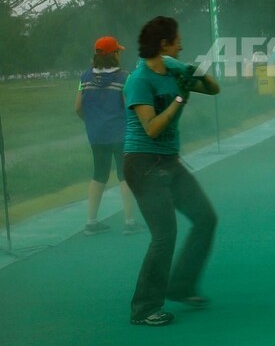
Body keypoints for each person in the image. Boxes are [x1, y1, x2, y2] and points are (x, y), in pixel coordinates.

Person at [123, 16, 220, 326]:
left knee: (205, 218)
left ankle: (181, 286)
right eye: (177, 40)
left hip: (169, 163)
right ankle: (144, 308)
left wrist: (193, 71)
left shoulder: (173, 70)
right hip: (143, 165)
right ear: (163, 44)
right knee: (164, 236)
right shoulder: (139, 80)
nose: (182, 44)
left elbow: (214, 89)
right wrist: (180, 98)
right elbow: (151, 128)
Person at [75, 36, 143, 236]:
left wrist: (90, 122)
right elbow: (129, 106)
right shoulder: (125, 77)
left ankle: (91, 222)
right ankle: (129, 222)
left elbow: (78, 107)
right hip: (120, 134)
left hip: (96, 135)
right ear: (114, 54)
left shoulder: (84, 77)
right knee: (125, 175)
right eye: (118, 51)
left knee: (99, 174)